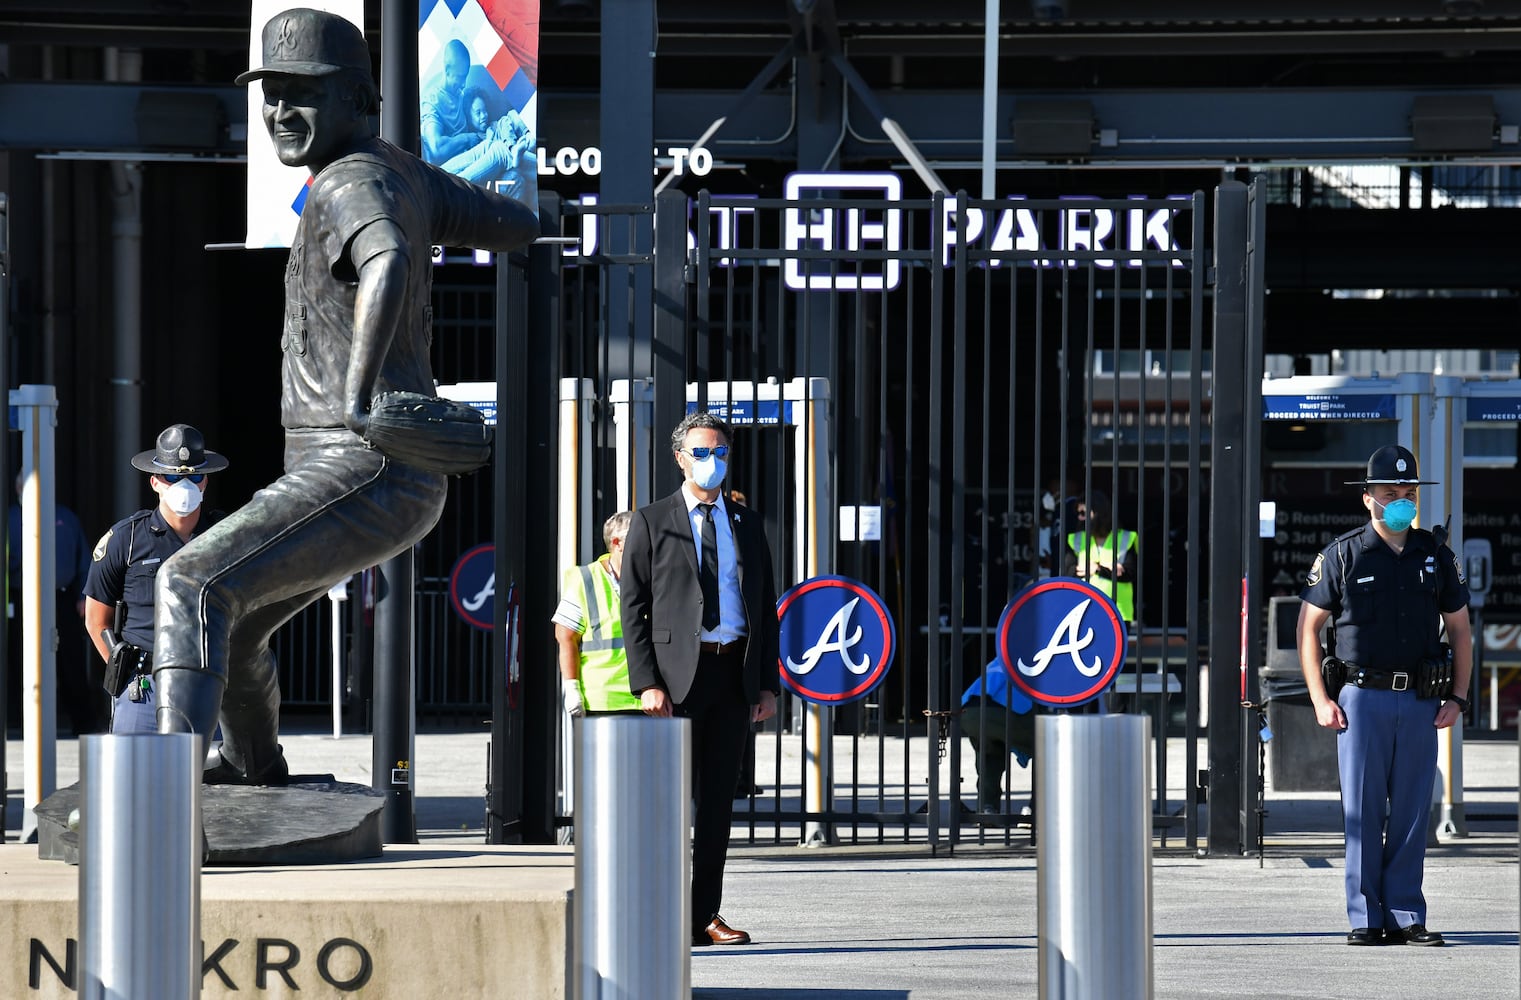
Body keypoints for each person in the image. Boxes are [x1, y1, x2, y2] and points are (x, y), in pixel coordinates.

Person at [148, 7, 540, 783]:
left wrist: (361, 399)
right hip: (384, 473)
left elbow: (388, 261)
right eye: (271, 95)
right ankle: (254, 764)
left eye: (304, 95)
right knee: (237, 626)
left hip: (358, 461)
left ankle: (158, 790)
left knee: (186, 582)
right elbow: (516, 223)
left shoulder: (348, 182)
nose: (280, 114)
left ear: (359, 102)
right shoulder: (400, 172)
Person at [1296, 444, 1472, 948]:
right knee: (1363, 813)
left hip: (1420, 699)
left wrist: (1457, 697)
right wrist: (1318, 699)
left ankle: (1404, 913)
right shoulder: (1342, 555)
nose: (1401, 499)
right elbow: (1307, 628)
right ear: (1367, 498)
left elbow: (1460, 630)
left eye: (1409, 491)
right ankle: (1364, 916)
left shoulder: (1436, 556)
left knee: (1414, 810)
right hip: (1361, 700)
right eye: (1391, 492)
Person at [622, 411, 780, 948]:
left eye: (720, 452)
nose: (713, 462)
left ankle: (703, 915)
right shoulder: (651, 521)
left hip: (732, 674)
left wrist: (766, 684)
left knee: (716, 805)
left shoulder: (747, 524)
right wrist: (646, 681)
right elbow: (634, 608)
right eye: (702, 452)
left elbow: (765, 608)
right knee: (669, 804)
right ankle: (662, 912)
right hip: (675, 681)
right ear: (680, 457)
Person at [81, 425, 228, 734]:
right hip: (143, 689)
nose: (184, 485)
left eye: (193, 477)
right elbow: (96, 620)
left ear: (205, 483)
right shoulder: (127, 539)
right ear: (155, 482)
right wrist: (125, 673)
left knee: (207, 781)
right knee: (136, 779)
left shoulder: (225, 536)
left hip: (207, 686)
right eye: (173, 477)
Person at [7, 474, 100, 735]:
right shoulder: (10, 518)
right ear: (17, 489)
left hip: (61, 599)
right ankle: (18, 724)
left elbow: (86, 561)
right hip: (19, 599)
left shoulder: (66, 518)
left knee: (70, 661)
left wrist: (84, 596)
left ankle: (83, 722)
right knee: (18, 660)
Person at [552, 510, 640, 716]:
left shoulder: (652, 576)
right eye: (640, 539)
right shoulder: (586, 579)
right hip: (603, 699)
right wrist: (572, 688)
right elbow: (565, 637)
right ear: (617, 543)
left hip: (648, 697)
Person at [960, 657, 1037, 814]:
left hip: (971, 708)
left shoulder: (1006, 653)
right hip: (1009, 708)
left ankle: (987, 807)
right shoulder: (1049, 655)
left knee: (989, 753)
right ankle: (1038, 808)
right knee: (1048, 745)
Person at [1063, 490, 1137, 622]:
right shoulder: (1075, 539)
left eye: (1083, 513)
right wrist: (1111, 570)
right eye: (1078, 514)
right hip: (1083, 609)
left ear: (1099, 513)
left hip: (1118, 610)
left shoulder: (1126, 537)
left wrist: (1096, 569)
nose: (1080, 518)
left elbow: (1131, 573)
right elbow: (1068, 573)